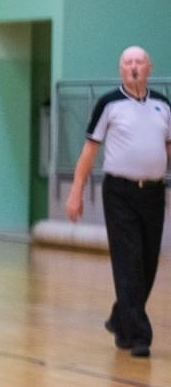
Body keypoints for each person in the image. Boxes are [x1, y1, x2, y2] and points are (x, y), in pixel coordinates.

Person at [66, 46, 169, 358]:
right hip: (119, 194)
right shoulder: (109, 104)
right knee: (128, 261)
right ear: (121, 69)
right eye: (128, 62)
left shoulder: (163, 105)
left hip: (153, 193)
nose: (134, 67)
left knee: (148, 264)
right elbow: (89, 151)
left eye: (139, 62)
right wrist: (76, 190)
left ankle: (120, 318)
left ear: (149, 68)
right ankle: (139, 335)